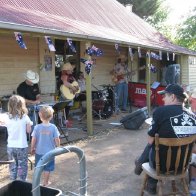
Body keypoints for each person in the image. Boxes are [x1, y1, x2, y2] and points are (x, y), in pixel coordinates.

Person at [134, 84, 196, 194]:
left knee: (153, 144)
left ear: (172, 97)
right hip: (183, 165)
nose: (163, 99)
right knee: (157, 144)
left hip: (161, 166)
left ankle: (142, 169)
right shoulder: (193, 116)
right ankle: (140, 165)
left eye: (165, 96)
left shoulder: (160, 112)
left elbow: (150, 141)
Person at [0, 95, 32, 181]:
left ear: (9, 105)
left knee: (13, 164)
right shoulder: (25, 117)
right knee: (22, 164)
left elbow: (1, 122)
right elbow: (29, 130)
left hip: (11, 146)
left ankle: (13, 180)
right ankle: (22, 180)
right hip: (21, 145)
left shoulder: (6, 117)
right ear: (22, 105)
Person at [31, 106, 60, 186]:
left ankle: (36, 182)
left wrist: (32, 148)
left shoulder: (37, 127)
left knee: (38, 167)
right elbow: (57, 139)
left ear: (40, 116)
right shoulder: (53, 128)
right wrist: (58, 147)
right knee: (47, 168)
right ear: (51, 116)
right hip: (50, 153)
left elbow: (33, 139)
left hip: (39, 152)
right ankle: (45, 182)